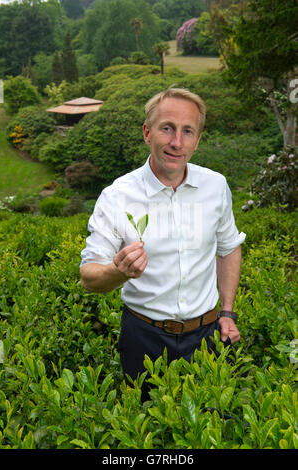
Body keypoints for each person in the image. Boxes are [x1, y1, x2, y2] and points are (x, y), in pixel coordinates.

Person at [80, 87, 246, 400]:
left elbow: (228, 247)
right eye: (167, 128)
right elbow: (88, 276)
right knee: (145, 431)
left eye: (188, 131)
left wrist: (228, 312)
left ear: (198, 140)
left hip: (208, 334)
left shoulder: (215, 186)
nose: (176, 142)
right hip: (143, 336)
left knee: (210, 427)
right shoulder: (117, 196)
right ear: (147, 132)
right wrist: (119, 272)